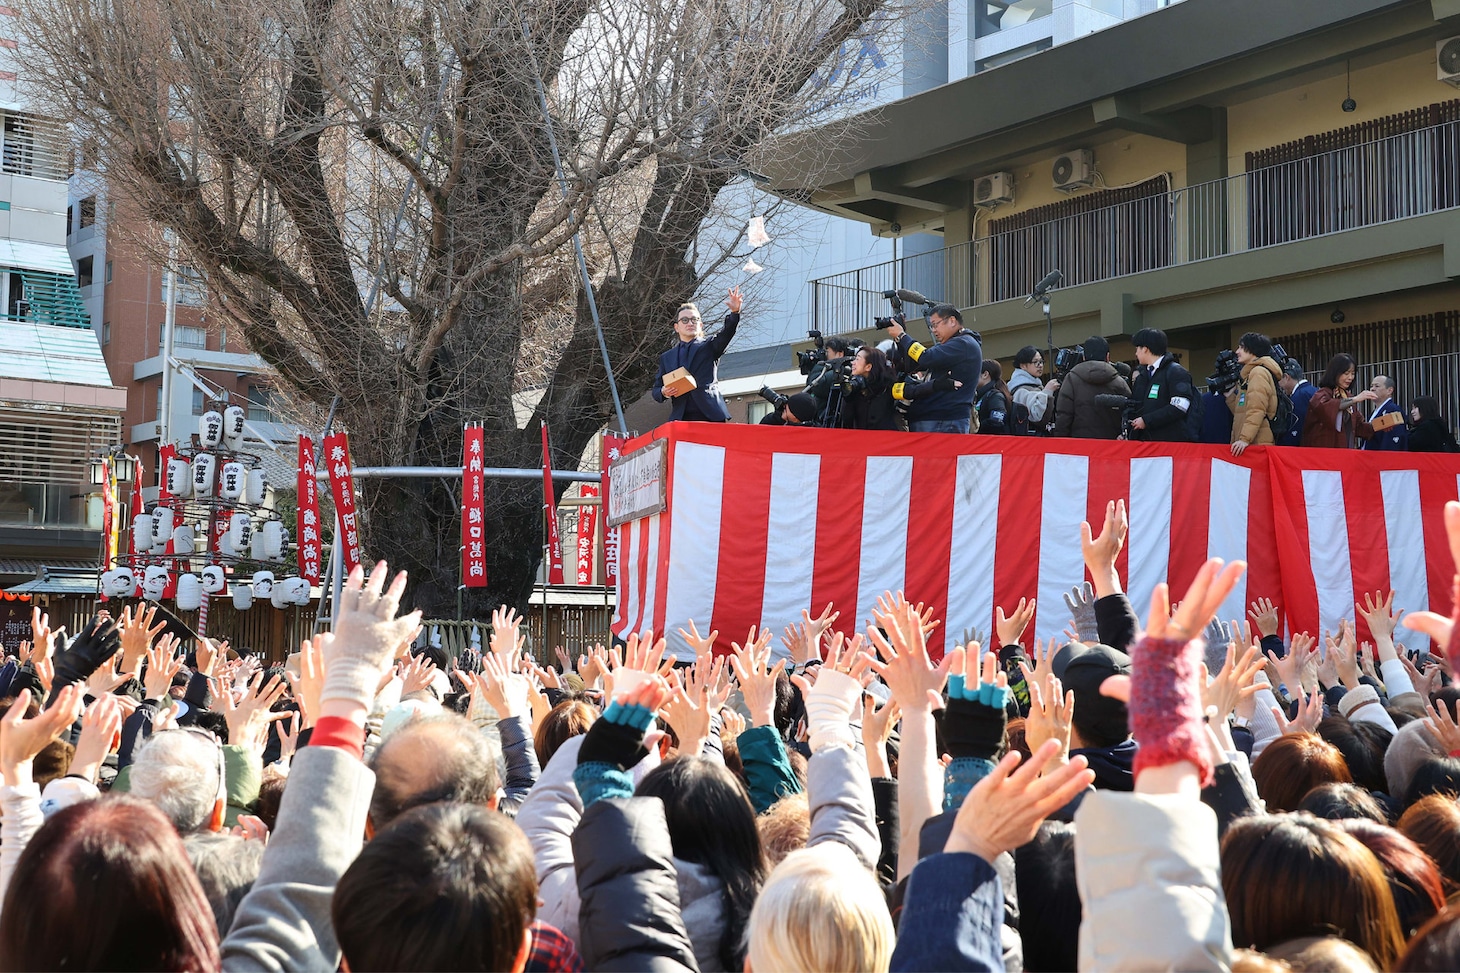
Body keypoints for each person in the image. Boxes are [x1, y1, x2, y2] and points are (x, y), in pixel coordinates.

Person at [885, 303, 981, 433]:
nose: (933, 330)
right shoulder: (954, 344)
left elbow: (926, 357)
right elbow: (914, 364)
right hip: (937, 418)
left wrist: (902, 336)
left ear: (952, 321)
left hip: (943, 419)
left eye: (936, 325)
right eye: (931, 326)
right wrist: (900, 339)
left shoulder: (963, 343)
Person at [652, 287, 743, 423]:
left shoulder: (709, 345)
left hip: (710, 415)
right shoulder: (667, 357)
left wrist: (735, 313)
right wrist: (664, 392)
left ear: (701, 325)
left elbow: (727, 333)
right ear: (676, 327)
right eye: (685, 320)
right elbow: (656, 389)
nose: (690, 323)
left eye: (694, 320)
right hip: (681, 417)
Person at [1124, 328, 1196, 442]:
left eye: (1137, 348)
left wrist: (1147, 421)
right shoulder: (1142, 377)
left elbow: (1179, 407)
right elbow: (1135, 407)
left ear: (1146, 349)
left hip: (1168, 445)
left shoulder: (1176, 372)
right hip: (1143, 445)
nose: (1136, 353)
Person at [1053, 336, 1130, 439]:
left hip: (1079, 447)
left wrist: (1061, 442)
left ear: (1084, 357)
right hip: (1112, 447)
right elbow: (1129, 414)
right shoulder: (1119, 382)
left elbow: (1063, 416)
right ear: (1107, 356)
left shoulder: (1072, 379)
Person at [1301, 353, 1376, 449]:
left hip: (1345, 453)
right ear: (1335, 373)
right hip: (1323, 454)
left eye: (1353, 374)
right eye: (1346, 373)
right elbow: (1325, 408)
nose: (1350, 377)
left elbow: (1358, 427)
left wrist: (1381, 424)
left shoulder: (1347, 396)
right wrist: (1354, 400)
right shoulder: (1322, 393)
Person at [1227, 331, 1283, 457]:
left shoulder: (1258, 373)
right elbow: (1243, 410)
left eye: (1241, 347)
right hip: (1253, 443)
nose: (1237, 351)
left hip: (1256, 444)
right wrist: (1230, 398)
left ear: (1252, 349)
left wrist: (1244, 439)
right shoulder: (1250, 374)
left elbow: (1256, 409)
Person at [839, 346, 905, 431]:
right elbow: (846, 419)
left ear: (868, 367)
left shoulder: (888, 386)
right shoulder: (855, 386)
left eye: (857, 359)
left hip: (886, 438)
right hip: (863, 439)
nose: (853, 363)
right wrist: (848, 396)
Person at [1008, 346, 1058, 434]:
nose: (1040, 366)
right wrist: (1047, 392)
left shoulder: (1035, 384)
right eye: (1035, 362)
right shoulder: (1020, 389)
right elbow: (1036, 417)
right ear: (1023, 366)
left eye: (1041, 362)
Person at [805, 337, 854, 424]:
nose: (825, 355)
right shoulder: (829, 370)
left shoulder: (841, 371)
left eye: (827, 352)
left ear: (840, 354)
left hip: (828, 420)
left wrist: (818, 365)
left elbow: (818, 386)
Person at [1364, 376, 1410, 451]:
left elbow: (1393, 440)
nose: (1372, 389)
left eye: (1377, 386)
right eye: (1371, 386)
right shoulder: (1375, 412)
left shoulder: (1393, 410)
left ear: (1389, 390)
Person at [1278, 359, 1316, 447]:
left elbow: (1296, 429)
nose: (1279, 385)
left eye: (1279, 380)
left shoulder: (1299, 397)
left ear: (1286, 377)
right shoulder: (1314, 390)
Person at [975, 360, 1013, 435]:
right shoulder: (981, 395)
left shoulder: (995, 396)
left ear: (985, 374)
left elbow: (997, 421)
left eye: (975, 373)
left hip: (993, 444)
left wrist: (976, 427)